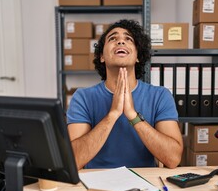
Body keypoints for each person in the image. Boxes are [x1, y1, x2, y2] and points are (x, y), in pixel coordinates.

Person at [67, 19, 183, 170]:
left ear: (137, 57)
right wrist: (112, 115)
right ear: (102, 56)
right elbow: (73, 160)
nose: (121, 41)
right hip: (96, 183)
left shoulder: (160, 96)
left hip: (144, 183)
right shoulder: (82, 97)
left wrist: (133, 116)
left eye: (128, 39)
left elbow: (173, 159)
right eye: (113, 38)